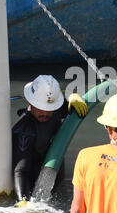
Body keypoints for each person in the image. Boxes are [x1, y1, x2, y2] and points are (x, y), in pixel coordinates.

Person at [12, 75, 88, 204]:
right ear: (31, 102)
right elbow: (21, 171)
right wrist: (23, 202)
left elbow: (66, 109)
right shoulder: (23, 131)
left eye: (49, 109)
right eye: (41, 108)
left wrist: (72, 98)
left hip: (58, 183)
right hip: (37, 191)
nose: (46, 113)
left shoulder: (54, 109)